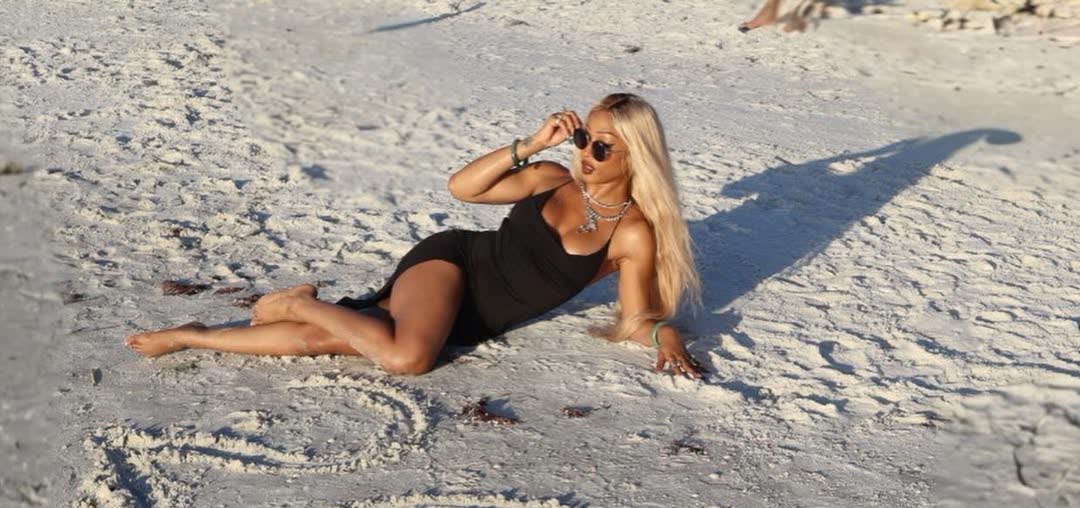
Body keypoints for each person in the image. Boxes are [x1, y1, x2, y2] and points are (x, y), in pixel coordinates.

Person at [125, 94, 705, 379]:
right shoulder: (550, 178)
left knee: (327, 339)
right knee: (407, 357)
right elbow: (463, 189)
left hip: (474, 317)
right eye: (583, 138)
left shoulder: (633, 233)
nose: (586, 153)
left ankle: (194, 336)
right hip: (451, 265)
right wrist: (532, 144)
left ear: (636, 156)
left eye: (602, 146)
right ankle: (298, 302)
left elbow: (636, 318)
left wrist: (666, 335)